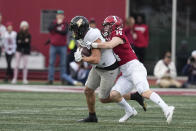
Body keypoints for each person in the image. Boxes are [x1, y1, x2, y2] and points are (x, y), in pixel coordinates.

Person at [89, 16, 175, 124]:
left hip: (135, 69)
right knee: (114, 94)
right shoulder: (111, 36)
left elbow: (109, 45)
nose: (106, 28)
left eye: (108, 25)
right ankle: (129, 111)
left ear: (114, 25)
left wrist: (93, 44)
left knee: (144, 92)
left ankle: (167, 108)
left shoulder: (118, 35)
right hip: (126, 73)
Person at [71, 16, 146, 123]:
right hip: (98, 67)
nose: (74, 31)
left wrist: (83, 58)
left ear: (82, 28)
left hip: (108, 68)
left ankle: (133, 100)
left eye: (75, 29)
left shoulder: (93, 36)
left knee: (103, 98)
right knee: (88, 91)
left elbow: (96, 59)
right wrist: (79, 52)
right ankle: (92, 116)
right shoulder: (81, 35)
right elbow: (82, 46)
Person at [47, 10, 81, 86]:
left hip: (62, 46)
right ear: (56, 16)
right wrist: (57, 25)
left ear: (63, 16)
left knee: (63, 64)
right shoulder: (53, 23)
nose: (60, 16)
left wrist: (56, 29)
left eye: (61, 15)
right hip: (53, 45)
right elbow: (49, 28)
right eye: (58, 15)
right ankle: (50, 79)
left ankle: (63, 79)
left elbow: (64, 32)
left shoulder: (65, 24)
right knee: (51, 62)